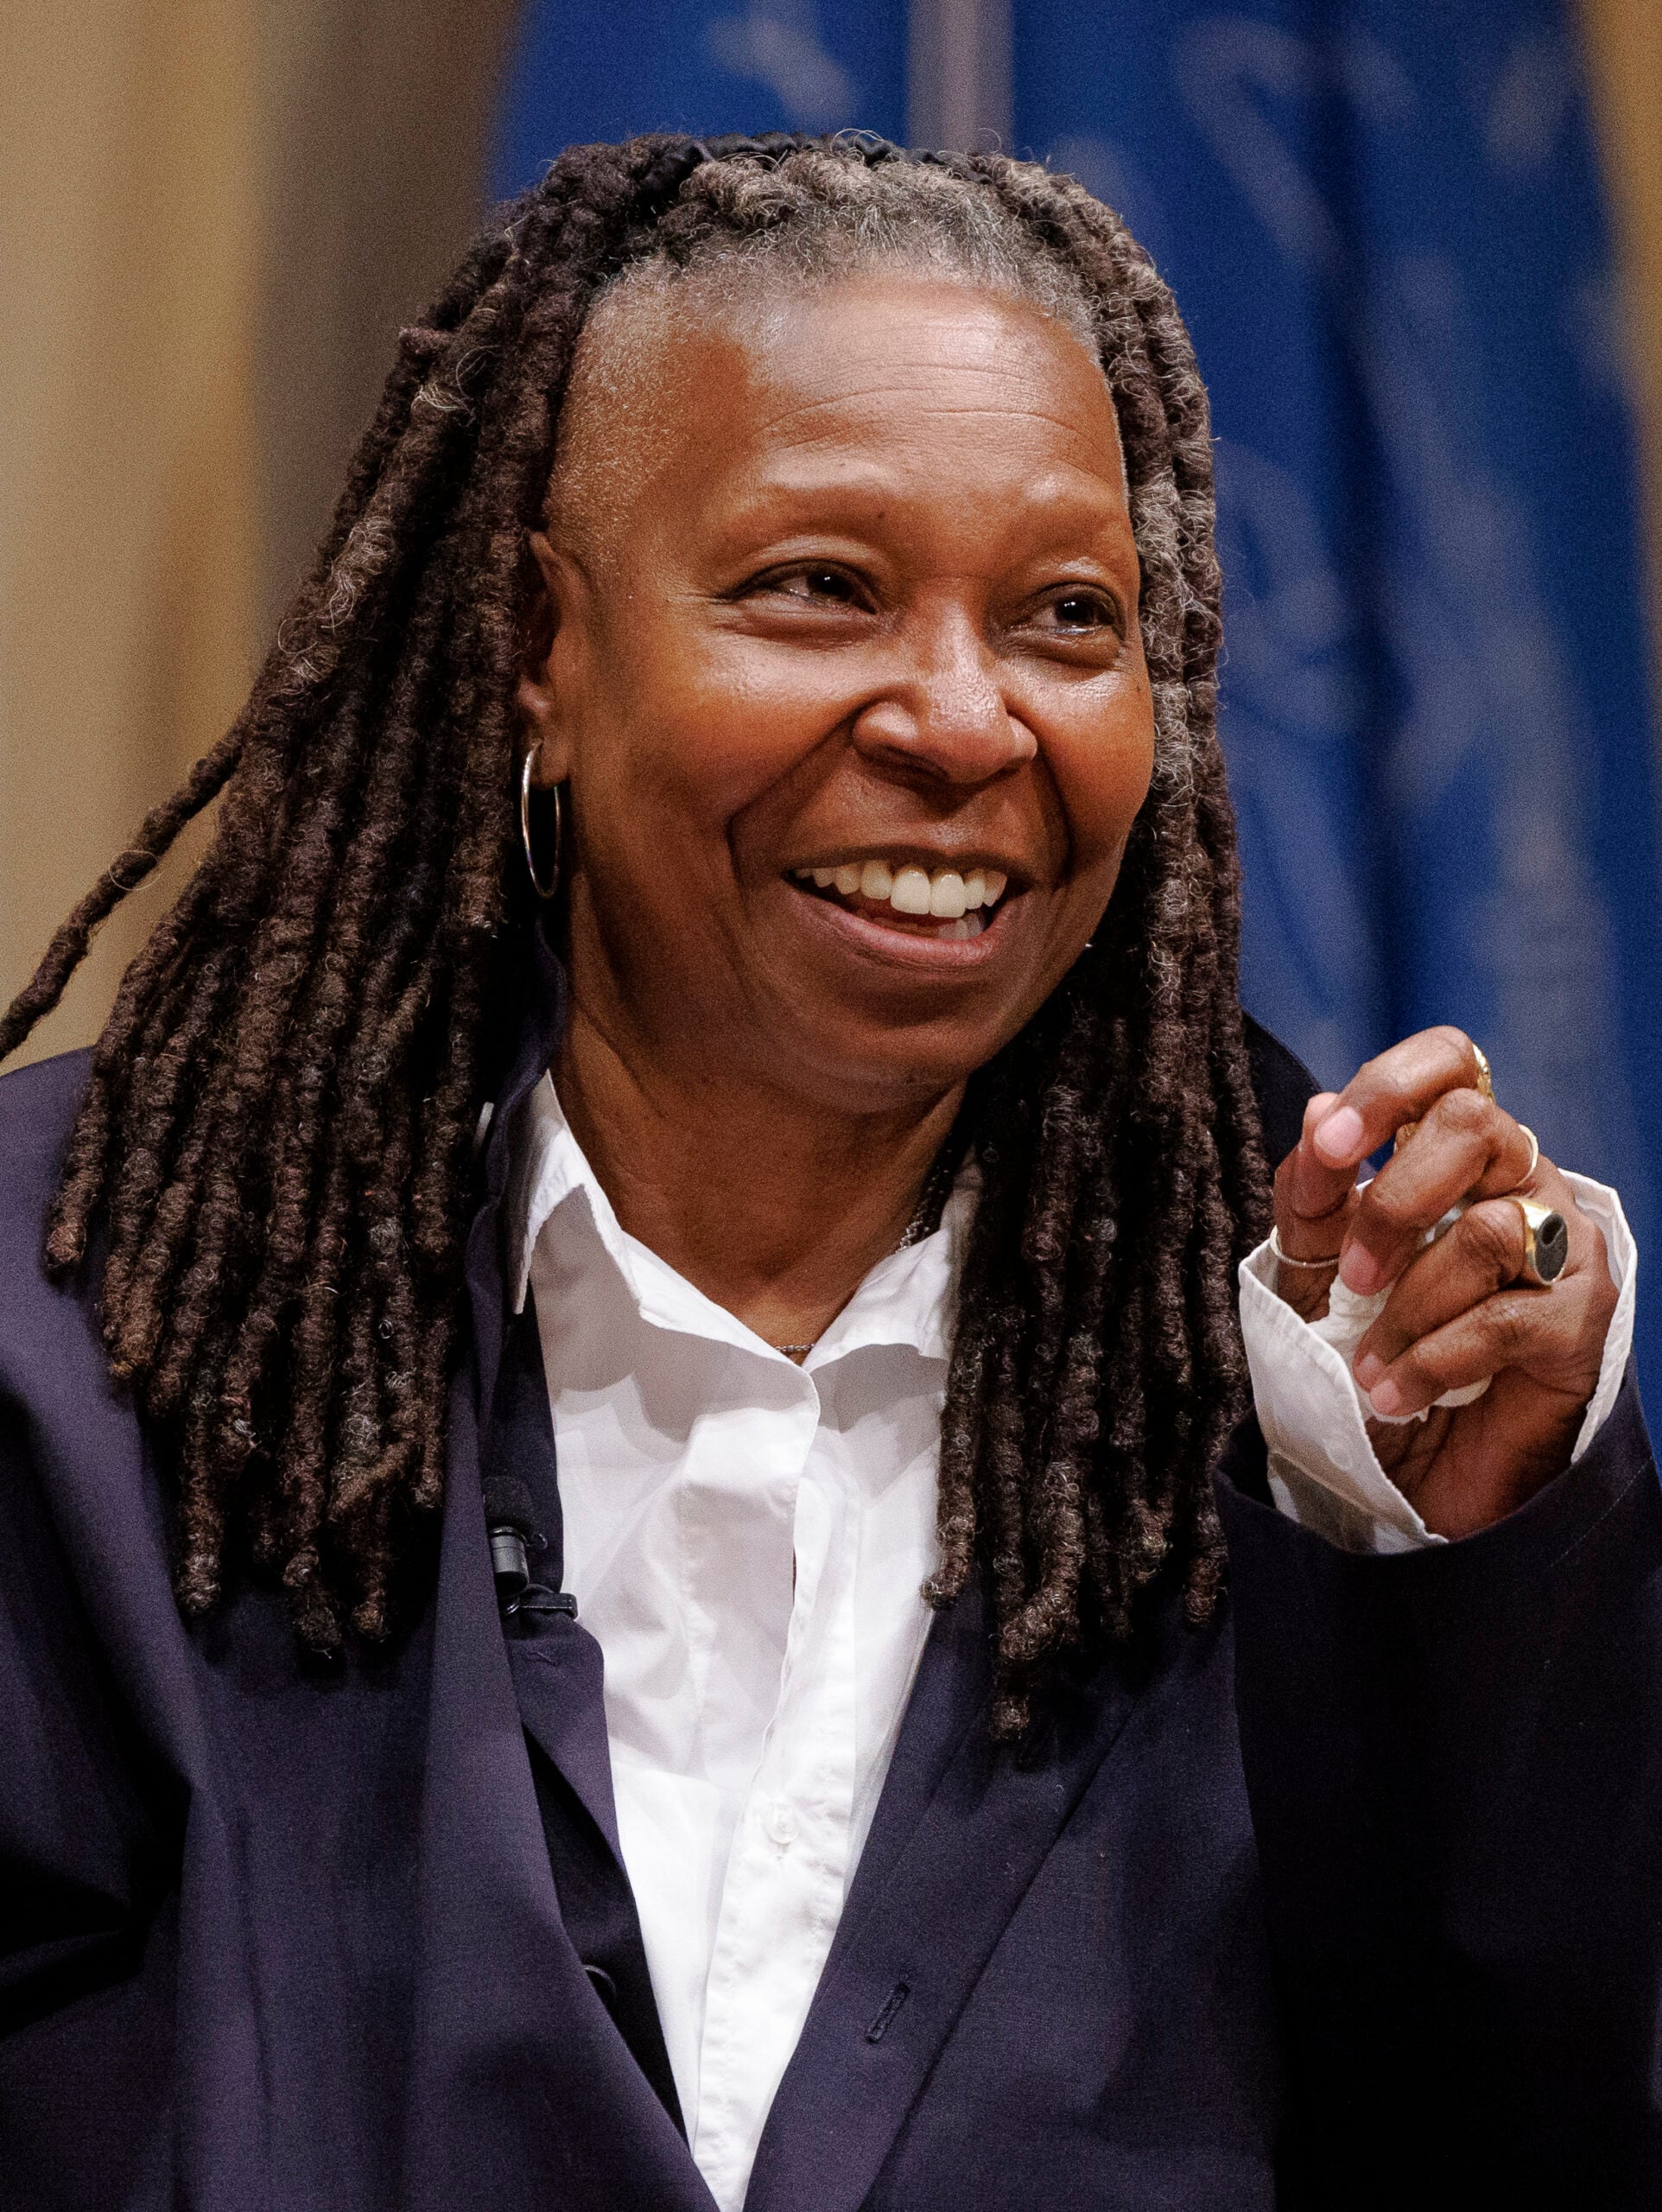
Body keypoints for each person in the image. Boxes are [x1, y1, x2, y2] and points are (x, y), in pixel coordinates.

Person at [0, 132, 1655, 2212]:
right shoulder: (82, 1314)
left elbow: (1536, 2131)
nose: (962, 718)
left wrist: (1465, 1579)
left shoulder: (1317, 1377)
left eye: (1067, 614)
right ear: (541, 641)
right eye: (819, 588)